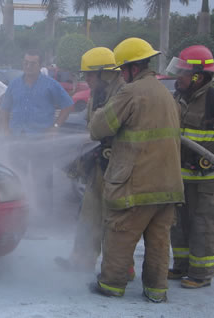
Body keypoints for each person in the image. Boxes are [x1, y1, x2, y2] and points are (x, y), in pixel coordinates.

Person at [88, 37, 184, 303]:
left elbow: (99, 128)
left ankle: (111, 285)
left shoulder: (131, 92)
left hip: (136, 183)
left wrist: (98, 112)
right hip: (168, 186)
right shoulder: (166, 93)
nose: (121, 75)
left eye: (122, 70)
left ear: (131, 68)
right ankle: (156, 290)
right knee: (158, 242)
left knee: (120, 233)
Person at [54, 47, 131, 275]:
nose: (86, 79)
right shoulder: (96, 93)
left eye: (90, 74)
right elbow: (91, 126)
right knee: (88, 214)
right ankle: (81, 261)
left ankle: (123, 267)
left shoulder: (123, 94)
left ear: (104, 73)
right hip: (99, 164)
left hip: (119, 167)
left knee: (115, 220)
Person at [0, 49, 73, 215]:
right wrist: (5, 130)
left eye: (32, 63)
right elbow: (4, 109)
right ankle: (22, 213)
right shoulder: (14, 84)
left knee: (43, 177)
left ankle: (44, 215)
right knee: (18, 176)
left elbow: (67, 105)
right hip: (17, 139)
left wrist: (55, 127)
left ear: (40, 65)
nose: (28, 66)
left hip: (41, 141)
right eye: (26, 63)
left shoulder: (50, 84)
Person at [166, 45, 214, 289]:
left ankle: (201, 273)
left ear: (199, 75)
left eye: (183, 72)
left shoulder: (212, 99)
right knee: (179, 223)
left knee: (202, 224)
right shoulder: (179, 97)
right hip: (180, 174)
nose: (178, 77)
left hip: (206, 178)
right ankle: (181, 265)